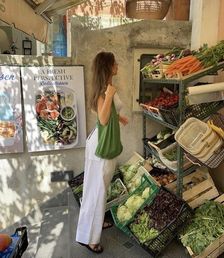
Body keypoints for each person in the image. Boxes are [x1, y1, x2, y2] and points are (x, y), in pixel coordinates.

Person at [76, 51, 128, 254]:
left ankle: (89, 227)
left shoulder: (104, 89)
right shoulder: (104, 91)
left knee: (95, 190)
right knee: (97, 192)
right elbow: (104, 119)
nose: (117, 65)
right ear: (108, 67)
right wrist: (110, 95)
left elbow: (107, 116)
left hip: (98, 143)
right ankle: (91, 239)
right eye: (114, 63)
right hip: (102, 149)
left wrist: (120, 118)